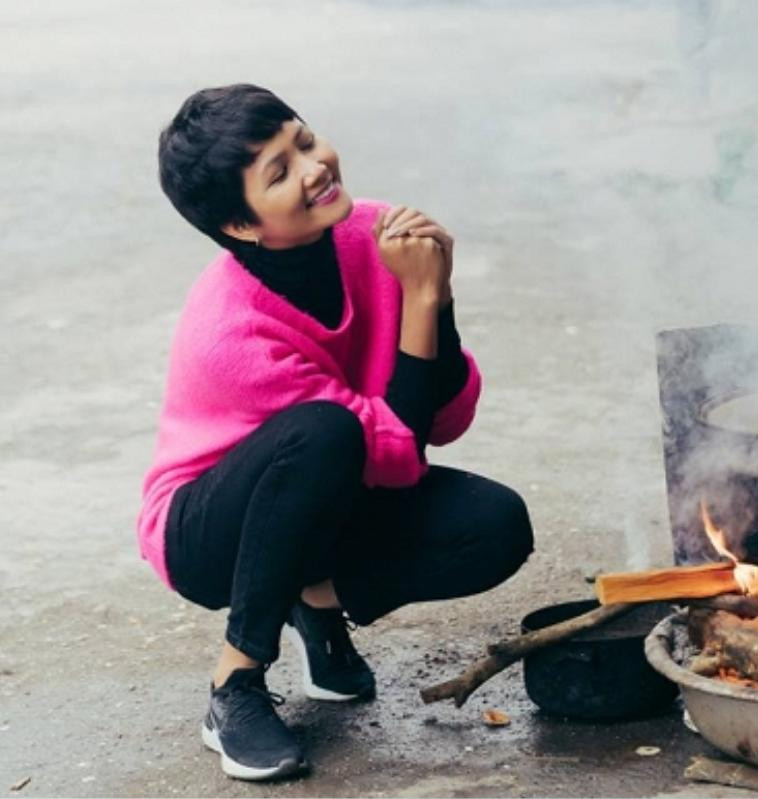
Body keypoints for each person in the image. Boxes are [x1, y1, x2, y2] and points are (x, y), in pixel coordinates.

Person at [139, 84, 534, 781]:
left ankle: (315, 599)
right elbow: (391, 454)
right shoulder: (231, 328)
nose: (315, 166)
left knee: (497, 525)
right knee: (324, 433)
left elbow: (444, 418)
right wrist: (418, 298)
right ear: (240, 224)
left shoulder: (375, 236)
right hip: (208, 531)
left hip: (327, 488)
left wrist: (435, 301)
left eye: (305, 139)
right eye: (280, 171)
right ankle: (235, 684)